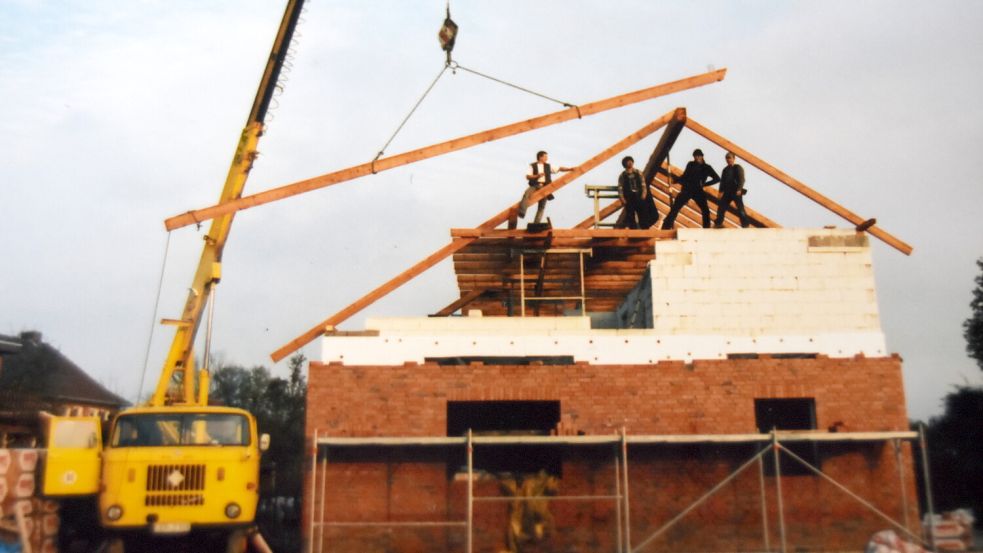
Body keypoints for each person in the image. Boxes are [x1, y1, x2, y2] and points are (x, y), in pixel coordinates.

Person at [660, 148, 719, 229]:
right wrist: (675, 181)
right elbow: (684, 176)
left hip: (698, 190)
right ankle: (665, 227)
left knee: (706, 210)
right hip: (687, 189)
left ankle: (706, 229)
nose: (697, 158)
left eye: (698, 156)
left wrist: (705, 184)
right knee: (676, 207)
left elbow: (717, 178)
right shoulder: (691, 164)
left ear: (702, 156)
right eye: (695, 156)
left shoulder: (707, 167)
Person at [519, 151, 573, 224]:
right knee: (526, 194)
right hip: (535, 185)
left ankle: (536, 223)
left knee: (542, 205)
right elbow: (528, 176)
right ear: (540, 157)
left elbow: (559, 168)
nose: (547, 158)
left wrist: (569, 169)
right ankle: (522, 212)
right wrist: (537, 176)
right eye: (545, 156)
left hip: (545, 187)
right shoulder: (533, 165)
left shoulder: (548, 166)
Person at [714, 151, 750, 228]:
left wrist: (739, 189)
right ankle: (718, 223)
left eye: (729, 158)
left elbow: (742, 179)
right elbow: (722, 181)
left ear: (734, 158)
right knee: (721, 207)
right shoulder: (725, 170)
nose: (728, 160)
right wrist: (720, 192)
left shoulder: (737, 167)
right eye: (727, 158)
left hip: (736, 191)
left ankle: (745, 224)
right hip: (727, 191)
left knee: (740, 209)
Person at [617, 156, 647, 229]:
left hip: (638, 195)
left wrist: (644, 193)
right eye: (628, 161)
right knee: (630, 213)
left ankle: (644, 228)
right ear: (625, 164)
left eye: (631, 161)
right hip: (629, 197)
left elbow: (643, 184)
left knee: (642, 212)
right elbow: (620, 188)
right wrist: (622, 198)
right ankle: (633, 229)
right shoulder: (622, 175)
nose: (630, 162)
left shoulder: (638, 172)